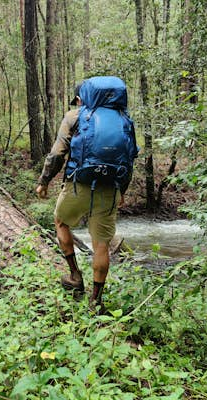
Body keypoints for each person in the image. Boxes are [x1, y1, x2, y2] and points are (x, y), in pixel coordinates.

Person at [35, 83, 128, 313]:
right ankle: (96, 302)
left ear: (80, 98)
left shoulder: (74, 116)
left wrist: (44, 181)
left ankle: (75, 275)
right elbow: (129, 159)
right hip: (110, 187)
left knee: (60, 221)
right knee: (102, 244)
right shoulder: (123, 120)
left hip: (79, 184)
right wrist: (122, 191)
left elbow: (57, 153)